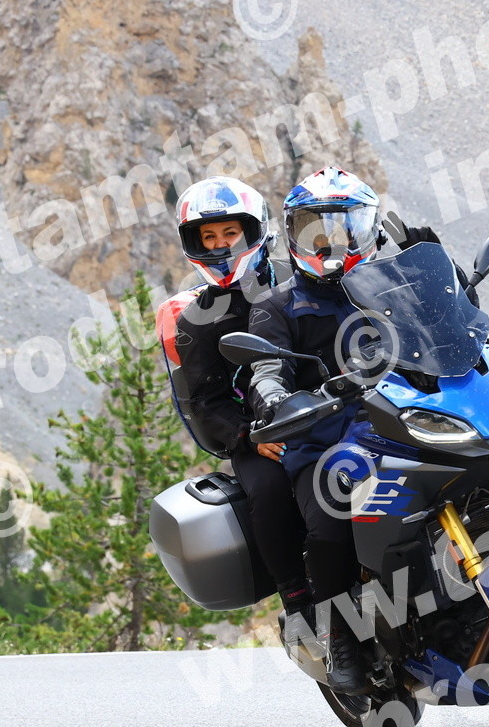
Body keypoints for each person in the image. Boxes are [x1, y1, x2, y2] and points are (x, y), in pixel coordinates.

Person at [247, 166, 442, 692]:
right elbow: (266, 368)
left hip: (401, 423)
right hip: (322, 440)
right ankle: (341, 639)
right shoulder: (276, 306)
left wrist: (436, 267)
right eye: (315, 228)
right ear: (293, 233)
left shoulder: (390, 285)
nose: (331, 241)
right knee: (331, 522)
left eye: (346, 226)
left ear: (368, 228)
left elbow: (451, 324)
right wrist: (273, 397)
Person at [155, 175, 310, 622]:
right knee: (269, 491)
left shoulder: (297, 278)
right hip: (259, 434)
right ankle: (298, 600)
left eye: (230, 232)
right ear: (194, 243)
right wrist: (250, 437)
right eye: (209, 237)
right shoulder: (195, 321)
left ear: (253, 230)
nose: (221, 245)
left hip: (325, 409)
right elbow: (206, 401)